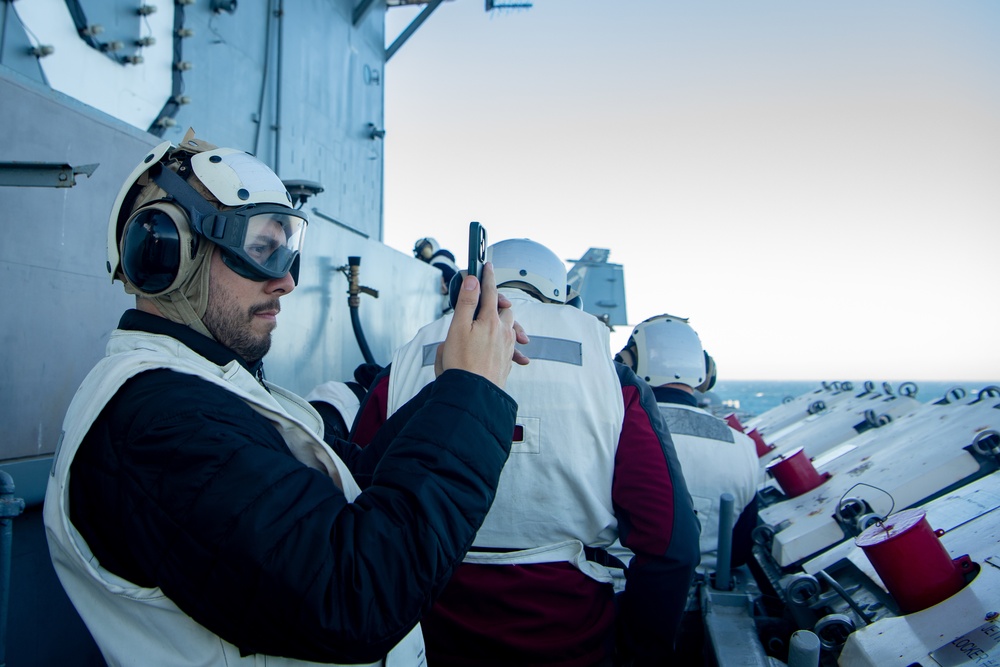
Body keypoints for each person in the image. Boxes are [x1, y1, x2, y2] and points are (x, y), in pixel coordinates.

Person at [43, 130, 528, 666]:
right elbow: (356, 595)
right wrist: (471, 393)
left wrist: (450, 385)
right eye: (260, 250)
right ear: (168, 252)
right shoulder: (158, 425)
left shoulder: (208, 392)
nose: (287, 282)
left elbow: (359, 484)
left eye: (288, 251)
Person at [352, 238, 701, 667]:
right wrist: (640, 653)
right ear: (563, 295)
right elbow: (669, 542)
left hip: (424, 633)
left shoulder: (403, 365)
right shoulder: (616, 382)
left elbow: (355, 494)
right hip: (571, 637)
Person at [615, 314, 761, 573]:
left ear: (627, 364)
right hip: (705, 589)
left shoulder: (612, 431)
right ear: (706, 371)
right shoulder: (744, 446)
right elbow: (739, 551)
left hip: (614, 583)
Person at [414, 236, 460, 313]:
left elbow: (453, 279)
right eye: (420, 251)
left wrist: (447, 288)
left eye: (424, 247)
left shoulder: (437, 262)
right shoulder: (441, 261)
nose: (423, 251)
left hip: (450, 308)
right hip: (451, 307)